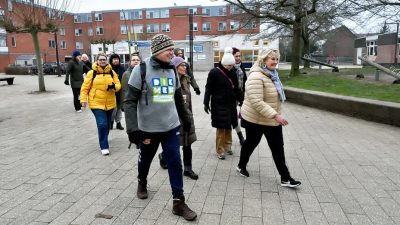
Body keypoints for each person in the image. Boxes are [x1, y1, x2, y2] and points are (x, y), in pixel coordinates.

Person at [124, 34, 197, 221]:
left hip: (171, 127)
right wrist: (132, 129)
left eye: (173, 50)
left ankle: (179, 202)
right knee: (145, 160)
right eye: (169, 50)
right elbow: (130, 101)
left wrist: (186, 118)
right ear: (157, 51)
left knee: (175, 161)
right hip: (148, 128)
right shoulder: (140, 69)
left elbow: (177, 97)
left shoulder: (172, 70)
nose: (172, 54)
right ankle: (142, 181)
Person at [236, 49, 301, 188]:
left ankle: (285, 178)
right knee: (251, 143)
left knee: (278, 147)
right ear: (264, 60)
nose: (275, 62)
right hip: (255, 119)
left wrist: (274, 114)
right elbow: (256, 101)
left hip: (270, 119)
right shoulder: (256, 76)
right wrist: (276, 115)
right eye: (272, 59)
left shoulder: (272, 74)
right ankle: (241, 165)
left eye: (277, 59)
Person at [158, 56, 199, 180]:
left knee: (188, 143)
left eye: (185, 65)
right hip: (174, 118)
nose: (185, 67)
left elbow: (188, 101)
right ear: (175, 67)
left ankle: (187, 168)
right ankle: (163, 156)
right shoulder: (167, 81)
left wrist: (190, 116)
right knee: (173, 145)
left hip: (186, 117)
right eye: (182, 65)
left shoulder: (186, 79)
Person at [203, 47, 243, 160]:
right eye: (227, 66)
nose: (229, 68)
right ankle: (220, 150)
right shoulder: (214, 72)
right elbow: (208, 88)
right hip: (218, 104)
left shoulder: (233, 71)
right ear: (223, 63)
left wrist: (241, 100)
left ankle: (228, 146)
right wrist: (206, 102)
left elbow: (237, 88)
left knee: (229, 125)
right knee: (221, 127)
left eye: (231, 65)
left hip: (230, 104)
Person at [80, 53, 121, 155]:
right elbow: (85, 88)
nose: (103, 61)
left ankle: (104, 137)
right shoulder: (91, 73)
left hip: (110, 103)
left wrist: (114, 87)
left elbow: (118, 84)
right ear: (97, 61)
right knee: (102, 124)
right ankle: (104, 146)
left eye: (104, 59)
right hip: (96, 103)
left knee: (106, 125)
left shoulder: (112, 72)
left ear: (107, 61)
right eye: (101, 59)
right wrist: (83, 100)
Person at [232, 47, 247, 146]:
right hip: (232, 96)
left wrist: (244, 95)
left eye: (239, 56)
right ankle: (240, 136)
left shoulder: (241, 66)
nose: (238, 58)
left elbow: (245, 80)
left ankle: (245, 135)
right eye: (236, 56)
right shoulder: (229, 67)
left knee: (244, 115)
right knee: (233, 116)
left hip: (241, 95)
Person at [109, 53, 125, 130]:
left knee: (119, 108)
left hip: (120, 91)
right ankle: (111, 122)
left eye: (117, 59)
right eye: (114, 59)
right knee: (113, 108)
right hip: (112, 91)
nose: (116, 60)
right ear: (111, 60)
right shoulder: (108, 69)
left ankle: (118, 123)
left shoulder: (122, 68)